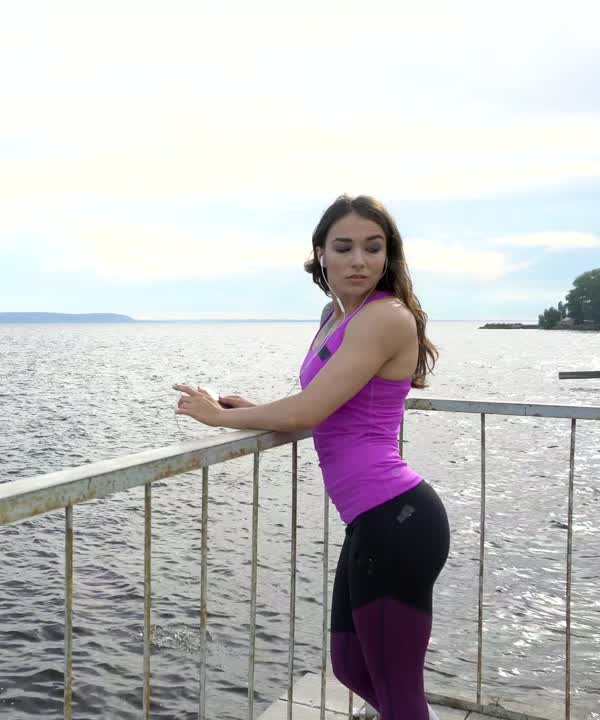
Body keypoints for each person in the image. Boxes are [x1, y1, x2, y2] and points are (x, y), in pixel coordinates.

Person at [173, 194, 450, 720]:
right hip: (374, 522)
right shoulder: (336, 314)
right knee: (350, 666)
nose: (358, 260)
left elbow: (312, 409)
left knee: (398, 689)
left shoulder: (386, 317)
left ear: (389, 255)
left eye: (373, 248)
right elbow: (329, 407)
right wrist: (260, 410)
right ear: (320, 252)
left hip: (398, 519)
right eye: (343, 248)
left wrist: (219, 417)